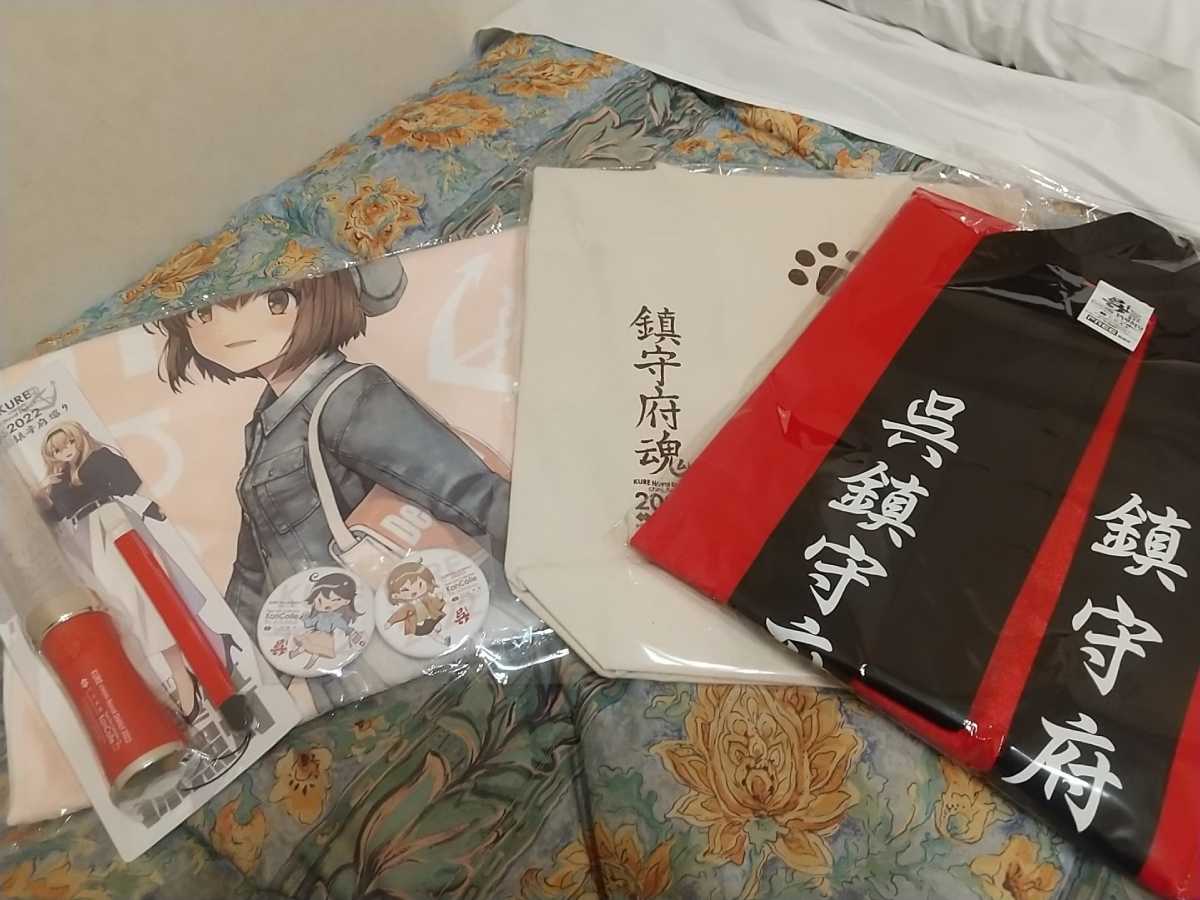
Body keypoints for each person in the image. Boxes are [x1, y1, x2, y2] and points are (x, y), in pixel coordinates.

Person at [153, 260, 509, 713]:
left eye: (275, 300)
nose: (229, 328)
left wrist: (553, 569)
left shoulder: (349, 396)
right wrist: (220, 662)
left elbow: (468, 491)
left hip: (387, 634)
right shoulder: (265, 425)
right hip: (319, 643)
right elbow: (254, 569)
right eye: (202, 313)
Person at [39, 422, 201, 720]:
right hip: (85, 540)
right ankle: (165, 679)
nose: (66, 451)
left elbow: (133, 483)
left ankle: (181, 672)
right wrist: (42, 494)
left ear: (79, 439)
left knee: (144, 599)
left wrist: (158, 506)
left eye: (69, 443)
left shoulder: (98, 459)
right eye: (58, 450)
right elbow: (54, 516)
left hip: (114, 527)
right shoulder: (58, 481)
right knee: (121, 609)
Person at [289, 571, 364, 666]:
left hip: (326, 637)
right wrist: (305, 618)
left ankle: (310, 664)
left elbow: (342, 625)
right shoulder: (319, 615)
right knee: (306, 645)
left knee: (317, 651)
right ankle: (295, 654)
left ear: (346, 602)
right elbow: (310, 623)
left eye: (334, 602)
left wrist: (351, 631)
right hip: (315, 633)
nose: (324, 606)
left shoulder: (335, 618)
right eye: (319, 600)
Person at [384, 559, 446, 636]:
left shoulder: (427, 598)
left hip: (432, 618)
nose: (415, 592)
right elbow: (399, 613)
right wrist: (390, 622)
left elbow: (436, 601)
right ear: (396, 595)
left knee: (435, 625)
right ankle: (438, 636)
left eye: (420, 585)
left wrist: (439, 598)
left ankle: (439, 634)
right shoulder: (408, 606)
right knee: (428, 632)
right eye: (405, 590)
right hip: (419, 625)